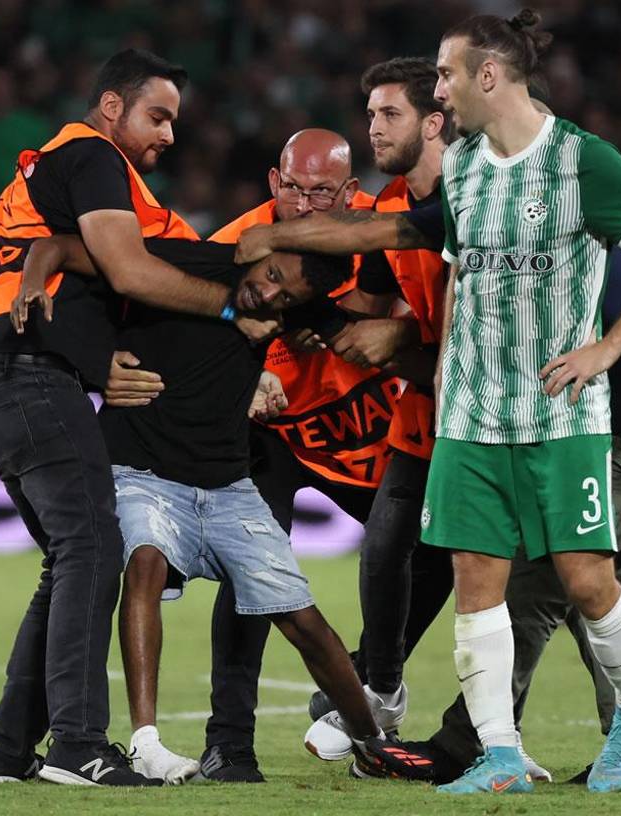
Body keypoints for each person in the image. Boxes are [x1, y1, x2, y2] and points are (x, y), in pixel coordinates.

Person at [13, 233, 435, 786]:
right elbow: (62, 246)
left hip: (229, 482)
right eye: (272, 275)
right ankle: (145, 744)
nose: (269, 292)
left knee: (302, 617)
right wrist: (29, 283)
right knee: (145, 560)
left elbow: (372, 346)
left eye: (286, 293)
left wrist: (424, 340)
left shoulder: (299, 311)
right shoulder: (188, 259)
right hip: (142, 467)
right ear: (261, 254)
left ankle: (373, 744)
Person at [0, 48, 273, 788]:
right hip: (25, 370)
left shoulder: (90, 176)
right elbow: (132, 271)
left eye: (174, 121)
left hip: (1, 371)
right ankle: (77, 743)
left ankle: (8, 751)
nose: (168, 134)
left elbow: (93, 259)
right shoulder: (93, 156)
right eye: (156, 116)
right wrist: (235, 309)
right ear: (112, 108)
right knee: (94, 548)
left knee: (74, 558)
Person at [426, 9, 621, 794]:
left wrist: (608, 347)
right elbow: (461, 272)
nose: (438, 92)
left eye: (446, 74)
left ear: (488, 75)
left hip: (559, 415)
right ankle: (502, 757)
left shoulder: (582, 161)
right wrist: (448, 365)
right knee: (477, 583)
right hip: (473, 415)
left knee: (584, 580)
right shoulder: (460, 167)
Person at [411, 243, 621, 785]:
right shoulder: (582, 234)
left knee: (545, 573)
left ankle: (474, 741)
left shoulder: (565, 246)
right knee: (591, 584)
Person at [194, 129, 403, 782]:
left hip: (365, 430)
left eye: (323, 192)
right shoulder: (238, 244)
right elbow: (189, 336)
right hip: (275, 435)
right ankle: (229, 744)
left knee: (429, 555)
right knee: (249, 575)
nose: (307, 205)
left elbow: (427, 303)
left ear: (351, 193)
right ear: (273, 183)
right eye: (295, 189)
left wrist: (392, 328)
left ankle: (366, 683)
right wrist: (245, 374)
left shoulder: (383, 232)